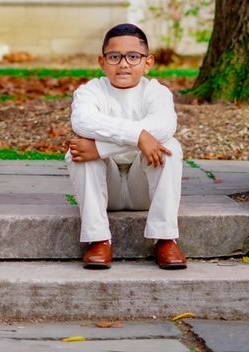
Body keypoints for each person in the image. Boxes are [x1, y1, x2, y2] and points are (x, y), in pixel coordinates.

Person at [65, 22, 186, 269]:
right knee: (77, 151)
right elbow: (83, 121)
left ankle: (165, 238)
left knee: (169, 145)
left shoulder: (156, 92)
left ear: (147, 62)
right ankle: (98, 239)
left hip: (141, 187)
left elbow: (164, 126)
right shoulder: (90, 91)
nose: (123, 64)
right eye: (114, 56)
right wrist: (139, 136)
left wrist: (101, 149)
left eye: (133, 57)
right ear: (102, 61)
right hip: (105, 187)